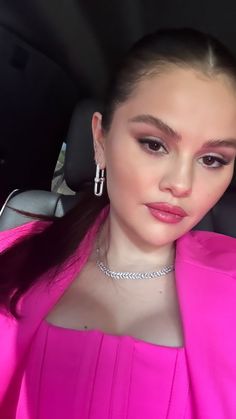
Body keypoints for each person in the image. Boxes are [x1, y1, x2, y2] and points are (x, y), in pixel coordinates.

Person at [1, 27, 236, 419]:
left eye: (212, 160)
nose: (180, 184)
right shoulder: (12, 251)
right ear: (100, 139)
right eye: (154, 144)